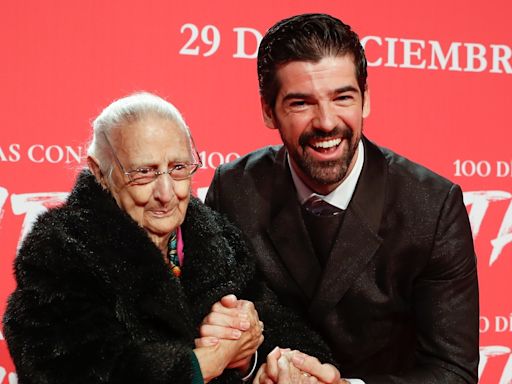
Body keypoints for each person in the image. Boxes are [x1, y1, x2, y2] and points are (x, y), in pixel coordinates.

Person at [205, 13, 479, 383]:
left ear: (365, 100)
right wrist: (252, 368)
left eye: (342, 97)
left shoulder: (431, 207)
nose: (326, 122)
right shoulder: (234, 189)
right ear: (269, 111)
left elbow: (454, 372)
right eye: (301, 103)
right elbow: (212, 334)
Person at [2, 92, 335, 383]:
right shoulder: (61, 250)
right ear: (100, 172)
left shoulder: (221, 240)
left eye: (178, 168)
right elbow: (66, 368)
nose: (166, 193)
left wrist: (253, 358)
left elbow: (291, 338)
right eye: (144, 172)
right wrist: (204, 363)